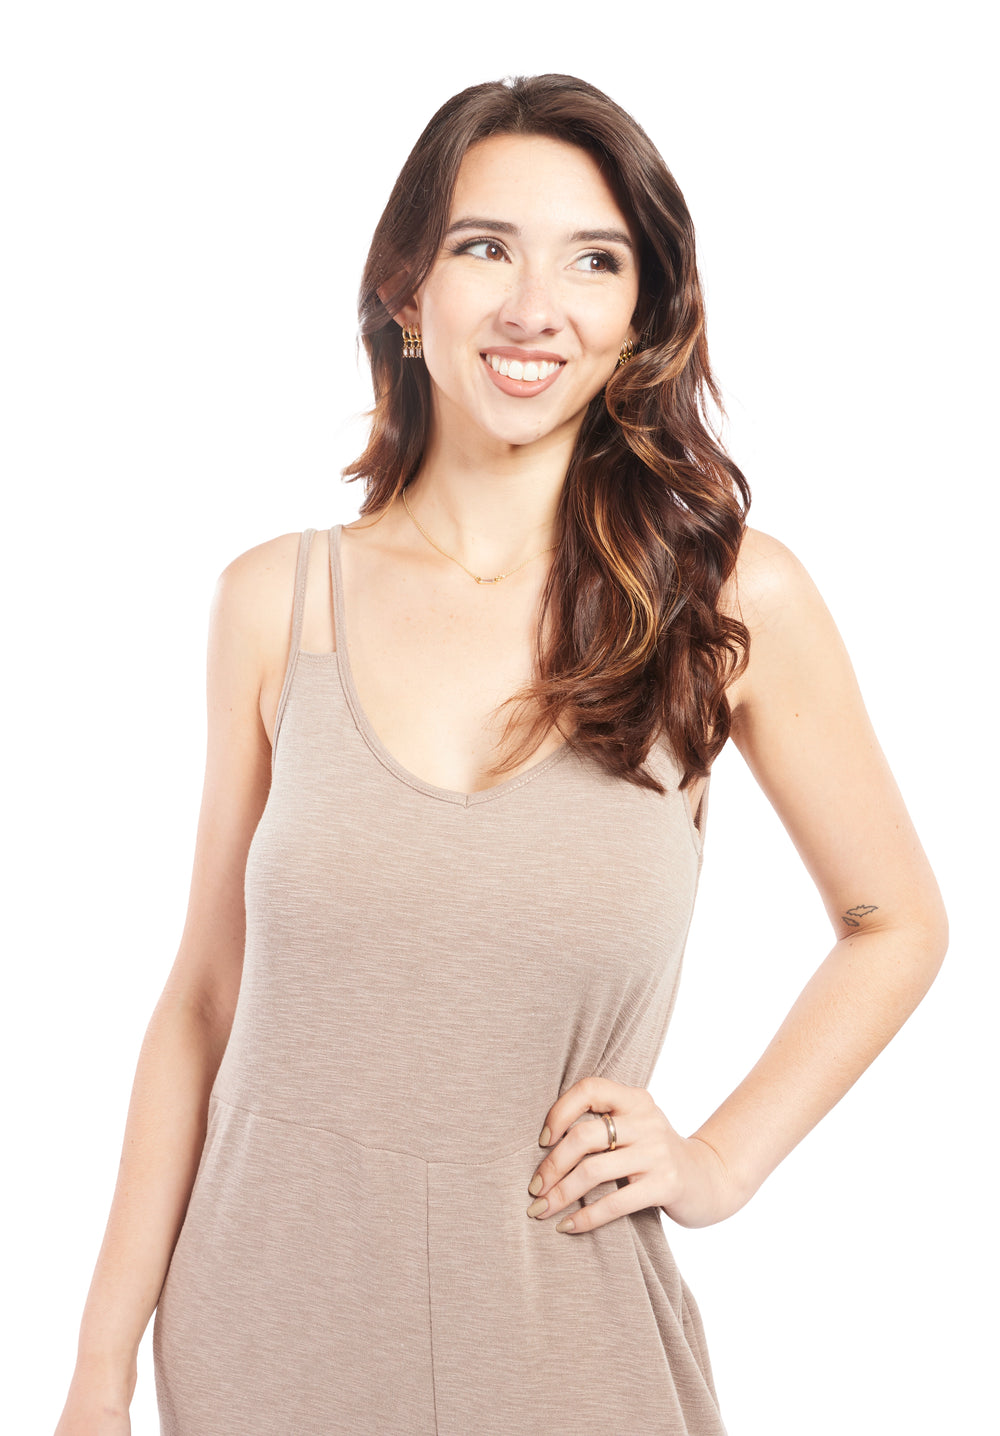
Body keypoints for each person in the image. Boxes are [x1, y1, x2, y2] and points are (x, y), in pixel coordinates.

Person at [55, 74, 949, 1436]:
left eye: (594, 260)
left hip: (566, 1339)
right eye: (486, 248)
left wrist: (718, 1162)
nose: (537, 307)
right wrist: (100, 1369)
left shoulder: (728, 603)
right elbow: (203, 1003)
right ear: (407, 293)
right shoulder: (274, 604)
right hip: (264, 1331)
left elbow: (896, 924)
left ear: (641, 317)